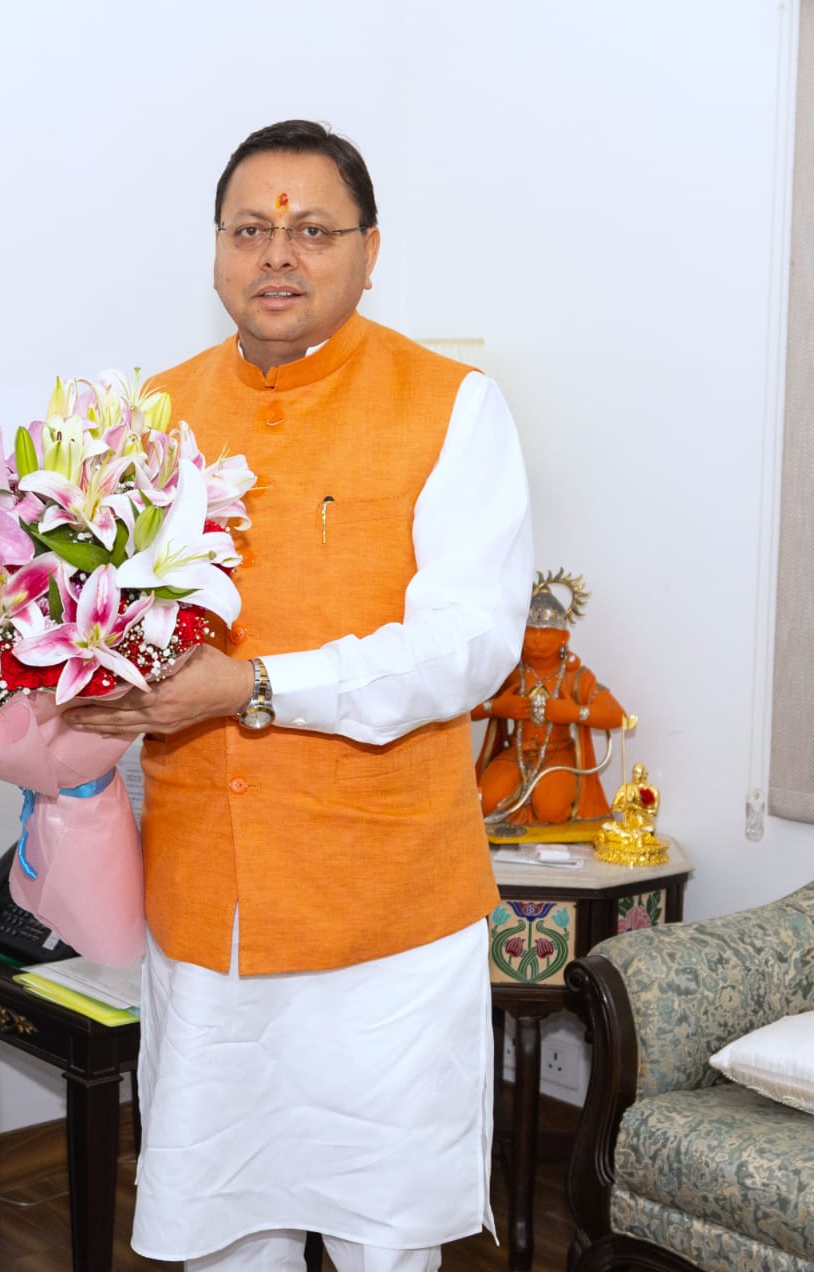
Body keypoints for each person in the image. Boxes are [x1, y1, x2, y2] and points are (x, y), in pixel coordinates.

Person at [66, 119, 533, 1271]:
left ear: (370, 251)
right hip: (208, 907)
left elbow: (466, 645)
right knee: (226, 1231)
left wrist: (256, 686)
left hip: (386, 914)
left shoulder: (452, 405)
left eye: (312, 230)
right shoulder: (151, 417)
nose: (277, 254)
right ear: (215, 251)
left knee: (384, 1239)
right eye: (248, 230)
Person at [473, 574, 627, 826]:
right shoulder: (510, 674)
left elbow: (618, 716)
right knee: (485, 802)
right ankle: (520, 817)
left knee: (552, 810)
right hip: (516, 753)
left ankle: (531, 812)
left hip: (557, 755)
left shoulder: (576, 676)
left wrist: (575, 713)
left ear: (563, 637)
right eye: (529, 631)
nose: (535, 639)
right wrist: (496, 707)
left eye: (544, 632)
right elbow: (463, 710)